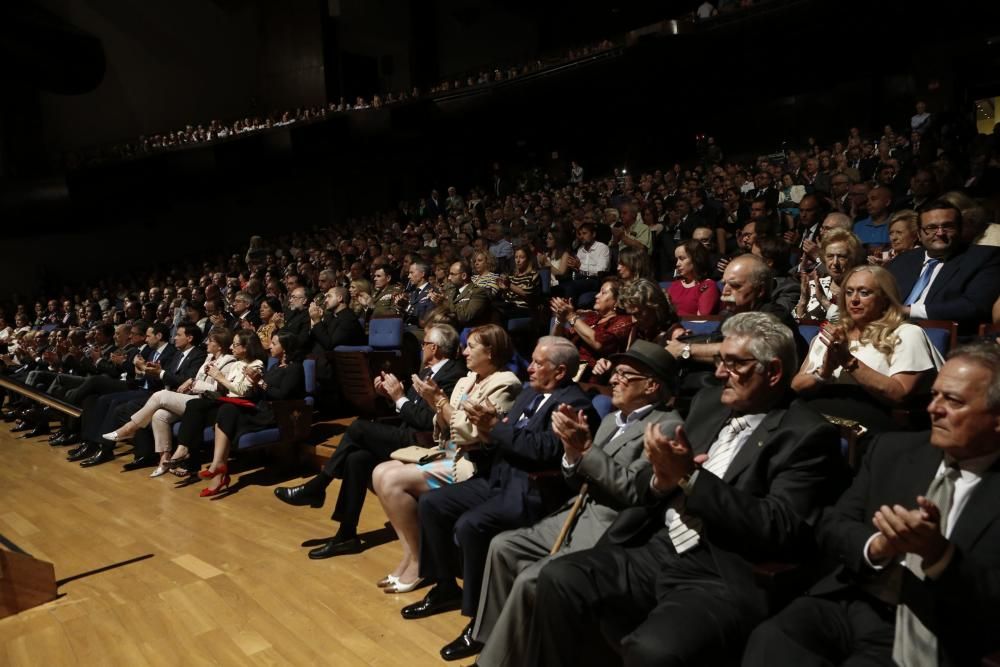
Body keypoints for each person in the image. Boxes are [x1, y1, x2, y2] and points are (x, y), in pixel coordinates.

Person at [528, 312, 846, 666]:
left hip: (720, 570)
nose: (719, 372)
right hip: (658, 546)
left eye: (734, 364)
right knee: (559, 578)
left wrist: (691, 480)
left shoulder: (807, 434)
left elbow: (781, 525)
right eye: (720, 360)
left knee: (653, 650)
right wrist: (659, 479)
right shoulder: (709, 404)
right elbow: (653, 482)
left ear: (772, 372)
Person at [743, 342, 1000, 667]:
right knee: (772, 639)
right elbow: (832, 525)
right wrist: (875, 546)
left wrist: (940, 556)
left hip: (938, 628)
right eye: (935, 395)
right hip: (854, 597)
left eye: (953, 401)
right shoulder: (891, 450)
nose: (934, 409)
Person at [473, 341, 683, 666]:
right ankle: (492, 643)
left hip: (608, 525)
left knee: (533, 579)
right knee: (503, 546)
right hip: (573, 512)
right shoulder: (614, 420)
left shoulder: (665, 426)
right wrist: (572, 454)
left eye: (625, 375)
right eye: (616, 373)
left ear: (652, 385)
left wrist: (585, 450)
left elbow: (637, 493)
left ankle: (498, 662)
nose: (613, 379)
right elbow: (576, 479)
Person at [399, 337, 599, 662]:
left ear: (561, 371)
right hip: (498, 477)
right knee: (432, 503)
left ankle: (480, 624)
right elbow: (503, 436)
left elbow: (543, 452)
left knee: (471, 526)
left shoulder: (576, 406)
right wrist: (486, 431)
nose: (529, 367)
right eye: (531, 360)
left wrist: (495, 428)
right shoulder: (531, 393)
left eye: (537, 362)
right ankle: (446, 586)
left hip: (534, 491)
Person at [274, 324, 467, 558]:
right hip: (408, 434)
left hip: (425, 442)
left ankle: (319, 485)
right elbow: (408, 411)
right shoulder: (428, 372)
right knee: (358, 458)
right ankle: (346, 534)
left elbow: (428, 421)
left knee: (358, 428)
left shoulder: (453, 375)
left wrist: (399, 397)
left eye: (424, 343)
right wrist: (390, 396)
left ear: (434, 348)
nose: (421, 347)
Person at [371, 325, 521, 593]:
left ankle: (420, 563)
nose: (464, 352)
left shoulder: (505, 383)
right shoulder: (466, 380)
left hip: (472, 463)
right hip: (449, 451)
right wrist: (433, 403)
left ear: (490, 352)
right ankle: (410, 554)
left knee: (392, 481)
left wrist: (439, 401)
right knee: (380, 471)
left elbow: (470, 433)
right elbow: (441, 426)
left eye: (471, 347)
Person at [792, 265, 944, 432]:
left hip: (866, 424)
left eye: (864, 293)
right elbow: (797, 386)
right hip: (814, 418)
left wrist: (849, 362)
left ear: (885, 298)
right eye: (849, 292)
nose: (854, 300)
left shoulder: (906, 334)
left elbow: (900, 394)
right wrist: (825, 372)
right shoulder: (832, 334)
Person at [102, 329, 266, 476]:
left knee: (161, 395)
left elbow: (221, 389)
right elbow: (203, 379)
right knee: (159, 415)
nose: (206, 343)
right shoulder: (214, 358)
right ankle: (164, 460)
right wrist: (192, 381)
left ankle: (131, 427)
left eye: (211, 341)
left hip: (209, 399)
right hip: (196, 395)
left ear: (219, 345)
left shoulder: (230, 361)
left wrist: (200, 382)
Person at [887, 200, 1000, 334]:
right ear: (919, 234)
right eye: (931, 228)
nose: (940, 233)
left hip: (942, 336)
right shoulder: (903, 260)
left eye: (948, 226)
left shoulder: (984, 257)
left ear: (960, 229)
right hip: (889, 331)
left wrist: (908, 310)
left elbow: (974, 306)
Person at [550, 279, 633, 382]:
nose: (597, 296)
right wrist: (560, 320)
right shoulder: (592, 318)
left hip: (588, 375)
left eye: (603, 293)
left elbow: (599, 342)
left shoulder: (623, 321)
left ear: (616, 301)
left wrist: (571, 316)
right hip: (566, 367)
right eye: (599, 292)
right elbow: (556, 341)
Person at [795, 229, 865, 322]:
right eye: (830, 256)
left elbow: (852, 325)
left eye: (841, 256)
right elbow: (793, 326)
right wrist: (803, 302)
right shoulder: (813, 286)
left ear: (853, 259)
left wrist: (824, 302)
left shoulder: (862, 291)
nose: (835, 263)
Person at [667, 240, 721, 316]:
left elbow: (702, 317)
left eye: (682, 258)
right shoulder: (675, 285)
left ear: (696, 259)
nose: (677, 264)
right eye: (677, 259)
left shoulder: (707, 285)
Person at [496, 247, 540, 320]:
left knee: (497, 312)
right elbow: (506, 297)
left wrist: (509, 285)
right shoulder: (512, 275)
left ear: (528, 259)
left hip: (523, 309)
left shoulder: (533, 275)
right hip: (509, 306)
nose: (518, 260)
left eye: (522, 257)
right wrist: (504, 289)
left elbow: (527, 294)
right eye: (516, 257)